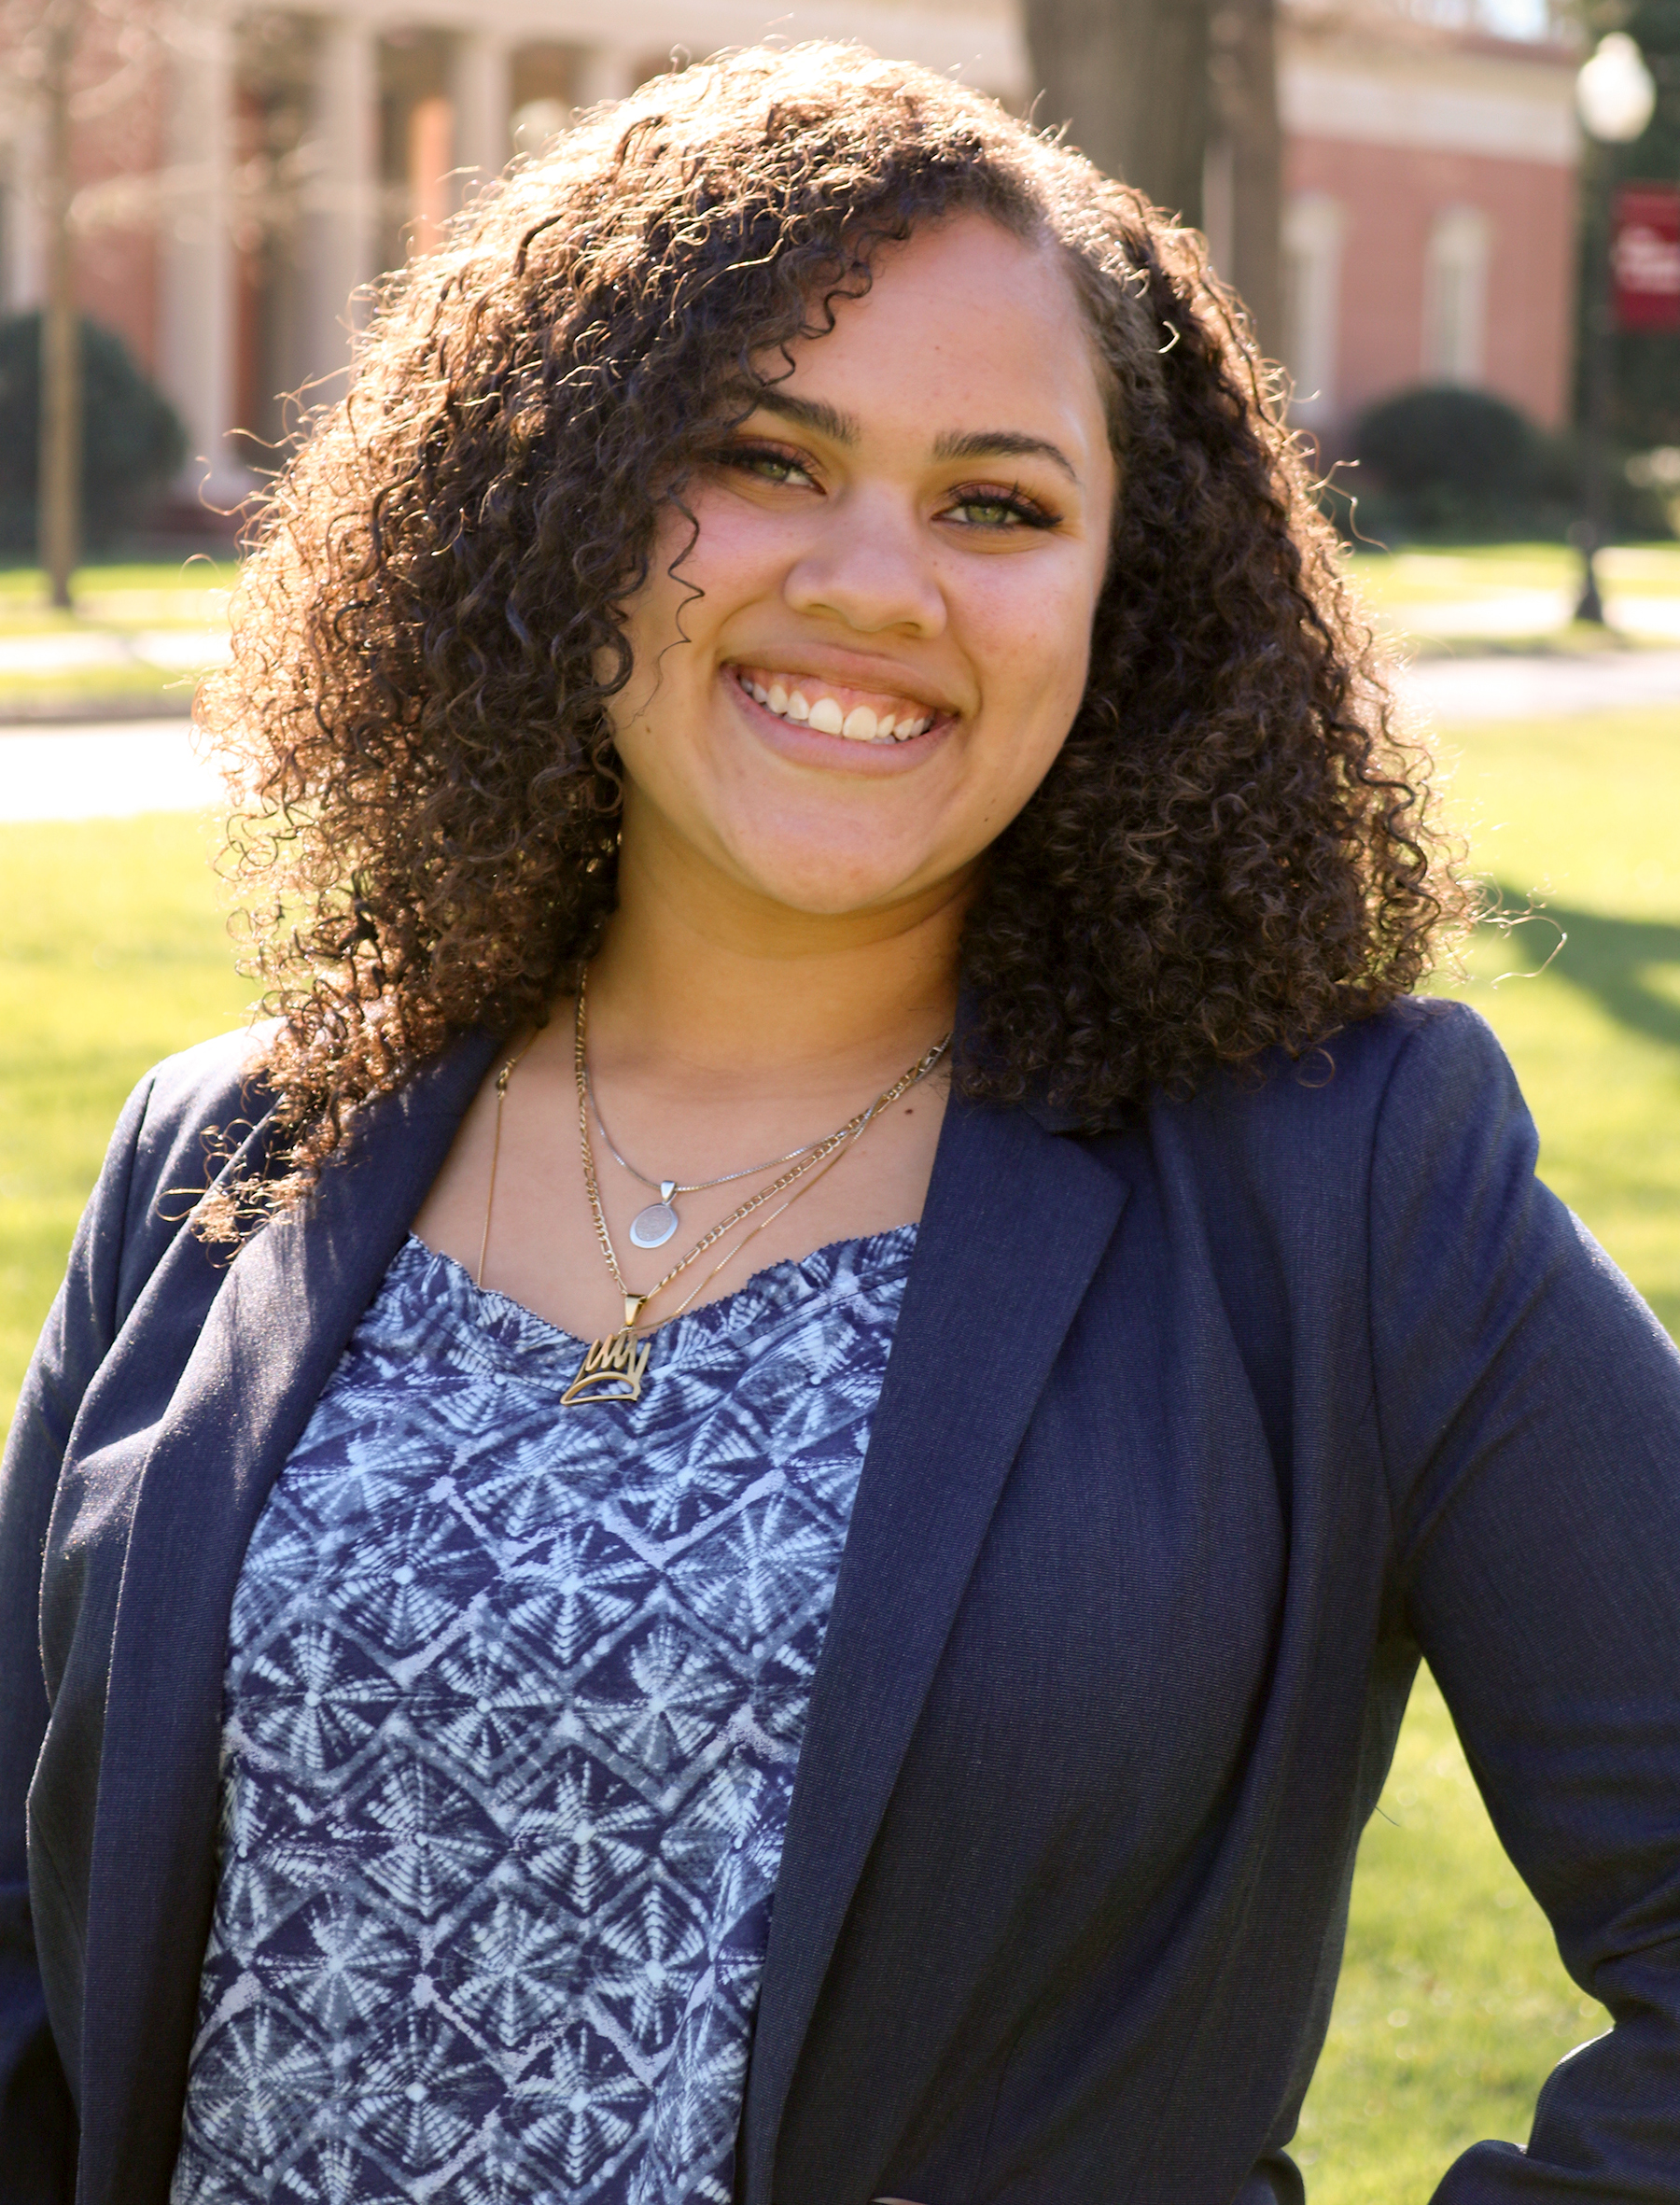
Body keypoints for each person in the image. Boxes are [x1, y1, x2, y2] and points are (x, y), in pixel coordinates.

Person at [5, 40, 1680, 2205]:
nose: (876, 582)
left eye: (999, 502)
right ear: (561, 488)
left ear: (1120, 603)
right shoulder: (226, 1154)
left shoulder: (1344, 1179)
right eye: (765, 456)